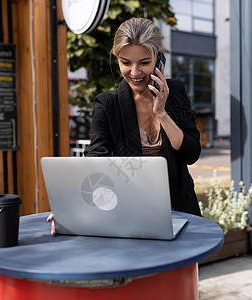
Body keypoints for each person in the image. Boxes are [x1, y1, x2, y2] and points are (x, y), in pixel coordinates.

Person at [49, 17, 201, 234]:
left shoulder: (174, 92)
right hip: (130, 214)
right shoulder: (108, 104)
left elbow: (191, 154)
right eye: (126, 62)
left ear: (159, 59)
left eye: (144, 62)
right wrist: (72, 206)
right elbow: (95, 159)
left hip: (181, 211)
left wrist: (161, 113)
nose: (135, 72)